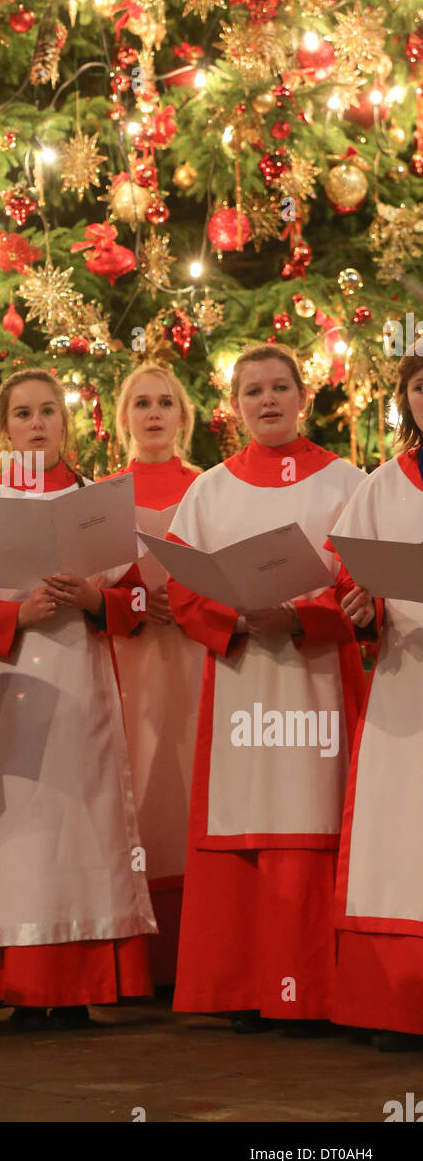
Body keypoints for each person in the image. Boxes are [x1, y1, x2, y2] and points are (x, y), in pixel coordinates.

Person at [0, 368, 156, 1031]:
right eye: (22, 413)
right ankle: (21, 987)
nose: (35, 423)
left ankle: (81, 982)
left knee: (85, 827)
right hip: (9, 687)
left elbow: (137, 603)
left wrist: (94, 600)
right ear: (3, 428)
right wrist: (13, 617)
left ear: (66, 421)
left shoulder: (100, 502)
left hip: (84, 689)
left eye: (48, 411)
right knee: (19, 834)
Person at [165, 343, 367, 1033]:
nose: (269, 400)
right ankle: (243, 987)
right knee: (241, 814)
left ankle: (315, 991)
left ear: (305, 396)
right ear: (233, 406)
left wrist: (302, 615)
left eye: (281, 387)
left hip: (317, 679)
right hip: (241, 677)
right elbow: (182, 588)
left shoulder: (346, 482)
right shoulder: (209, 490)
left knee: (317, 814)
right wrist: (237, 618)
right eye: (254, 391)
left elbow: (365, 588)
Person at [329, 349, 423, 1050]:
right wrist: (359, 607)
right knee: (400, 838)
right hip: (405, 683)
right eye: (422, 387)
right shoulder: (383, 486)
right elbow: (347, 580)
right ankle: (398, 1002)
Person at [108, 364, 205, 985]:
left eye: (165, 402)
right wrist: (141, 602)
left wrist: (193, 602)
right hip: (129, 660)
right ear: (124, 419)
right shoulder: (104, 494)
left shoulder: (210, 486)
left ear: (183, 416)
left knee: (193, 781)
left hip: (198, 655)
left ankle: (196, 952)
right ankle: (143, 957)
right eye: (140, 403)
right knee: (137, 782)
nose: (153, 413)